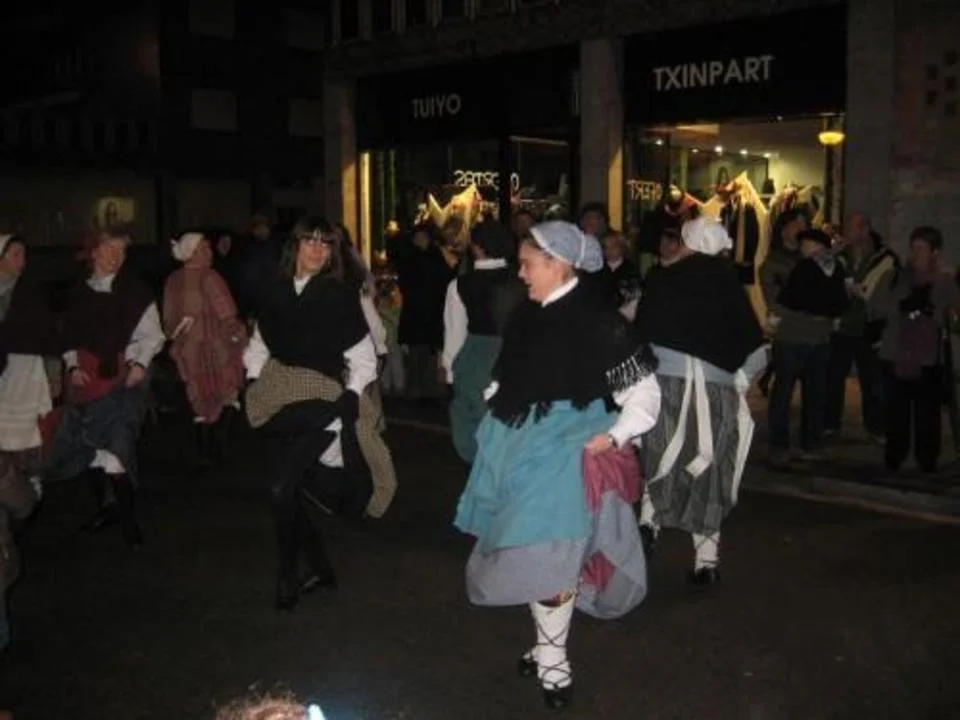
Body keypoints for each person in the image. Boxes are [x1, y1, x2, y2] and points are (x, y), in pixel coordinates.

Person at [454, 221, 661, 710]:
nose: (520, 273)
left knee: (548, 551)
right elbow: (507, 373)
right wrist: (496, 400)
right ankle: (548, 640)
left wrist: (613, 436)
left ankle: (553, 656)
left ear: (558, 264)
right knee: (530, 548)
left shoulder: (599, 320)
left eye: (528, 264)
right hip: (517, 442)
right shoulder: (525, 314)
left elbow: (645, 393)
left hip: (568, 448)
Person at [243, 217, 397, 611]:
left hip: (322, 398)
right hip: (278, 394)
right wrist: (254, 378)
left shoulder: (338, 295)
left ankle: (287, 575)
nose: (316, 249)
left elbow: (364, 356)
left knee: (280, 487)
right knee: (288, 488)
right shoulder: (275, 290)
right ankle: (321, 569)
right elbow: (260, 342)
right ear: (294, 245)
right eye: (309, 240)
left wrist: (351, 395)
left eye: (325, 243)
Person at [633, 217, 767, 584]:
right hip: (717, 390)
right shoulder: (730, 286)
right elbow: (757, 349)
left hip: (666, 384)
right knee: (710, 466)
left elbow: (640, 338)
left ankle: (648, 525)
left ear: (687, 244)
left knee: (660, 455)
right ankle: (706, 560)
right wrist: (737, 383)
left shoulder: (662, 280)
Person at [45, 226, 166, 548]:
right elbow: (68, 336)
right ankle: (105, 508)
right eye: (110, 249)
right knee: (90, 445)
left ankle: (128, 519)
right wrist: (73, 367)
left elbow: (153, 335)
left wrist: (140, 364)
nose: (117, 257)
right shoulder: (78, 293)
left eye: (122, 251)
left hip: (123, 379)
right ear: (95, 251)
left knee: (118, 444)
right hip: (86, 380)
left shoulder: (135, 291)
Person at [869, 226, 960, 473]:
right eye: (914, 248)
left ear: (934, 252)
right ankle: (894, 456)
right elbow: (876, 308)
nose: (916, 254)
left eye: (922, 248)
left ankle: (926, 458)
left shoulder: (944, 282)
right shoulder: (894, 278)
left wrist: (934, 313)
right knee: (896, 411)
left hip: (928, 356)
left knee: (927, 413)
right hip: (895, 352)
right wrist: (900, 307)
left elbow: (955, 318)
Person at [441, 219, 525, 464]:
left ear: (476, 246)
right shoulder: (523, 280)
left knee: (474, 423)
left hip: (477, 356)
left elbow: (454, 333)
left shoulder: (460, 284)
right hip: (517, 353)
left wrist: (450, 374)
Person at [163, 231, 248, 469]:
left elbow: (168, 321)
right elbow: (227, 313)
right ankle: (220, 447)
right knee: (226, 391)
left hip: (188, 351)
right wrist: (240, 338)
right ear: (192, 253)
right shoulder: (210, 277)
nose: (210, 252)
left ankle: (203, 452)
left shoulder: (173, 280)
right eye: (204, 248)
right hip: (215, 348)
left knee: (199, 398)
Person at [767, 228, 849, 466]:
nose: (803, 247)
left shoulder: (822, 267)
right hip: (799, 337)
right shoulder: (809, 267)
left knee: (808, 393)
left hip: (810, 338)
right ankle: (788, 444)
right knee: (792, 393)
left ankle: (803, 443)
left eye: (808, 243)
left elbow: (791, 299)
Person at [825, 218, 899, 442]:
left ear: (865, 230)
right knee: (833, 378)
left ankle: (876, 426)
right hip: (841, 326)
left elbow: (891, 292)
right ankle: (829, 424)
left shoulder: (885, 259)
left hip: (869, 327)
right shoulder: (840, 256)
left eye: (850, 228)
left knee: (872, 380)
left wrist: (868, 296)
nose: (845, 232)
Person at [0, 235, 60, 481]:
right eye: (15, 255)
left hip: (26, 372)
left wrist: (53, 374)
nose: (22, 261)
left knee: (28, 434)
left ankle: (32, 484)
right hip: (2, 376)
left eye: (23, 255)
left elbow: (48, 336)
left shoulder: (31, 294)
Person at [388, 223, 453, 402]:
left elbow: (445, 276)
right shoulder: (410, 257)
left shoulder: (434, 255)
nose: (420, 241)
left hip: (429, 310)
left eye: (423, 237)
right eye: (417, 237)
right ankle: (418, 388)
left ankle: (427, 388)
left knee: (428, 350)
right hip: (417, 311)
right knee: (417, 350)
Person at [757, 208, 808, 397]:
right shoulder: (774, 262)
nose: (801, 229)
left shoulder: (809, 257)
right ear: (784, 230)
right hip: (788, 327)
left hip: (811, 329)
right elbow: (775, 299)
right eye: (796, 225)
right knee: (785, 382)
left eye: (804, 225)